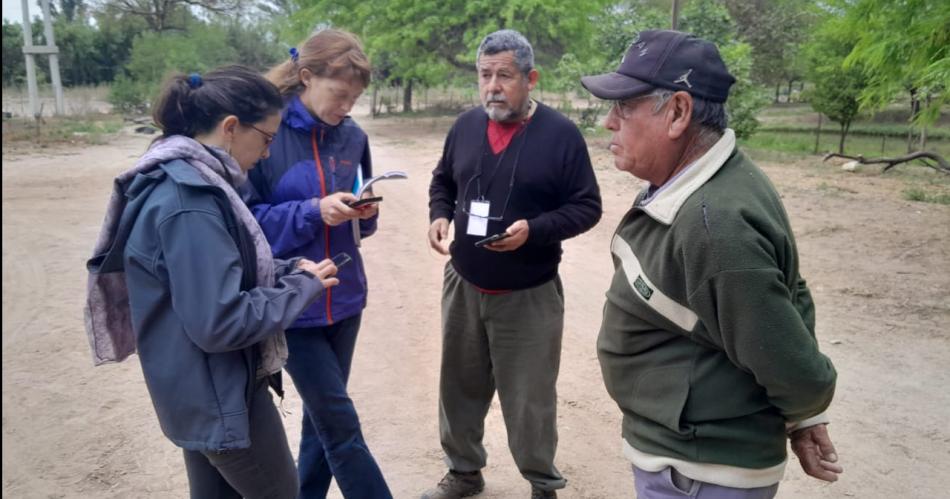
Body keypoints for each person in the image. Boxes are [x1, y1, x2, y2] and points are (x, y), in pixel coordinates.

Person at [580, 30, 843, 498]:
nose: (608, 122)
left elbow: (788, 359)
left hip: (700, 470)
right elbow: (787, 298)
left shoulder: (713, 221)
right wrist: (803, 416)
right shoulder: (710, 182)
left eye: (624, 106)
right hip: (691, 456)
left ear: (678, 113)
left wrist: (806, 408)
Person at [84, 65, 340, 499]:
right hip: (219, 395)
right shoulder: (192, 202)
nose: (265, 154)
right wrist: (300, 289)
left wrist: (285, 271)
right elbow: (219, 321)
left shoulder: (179, 179)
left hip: (197, 391)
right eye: (266, 139)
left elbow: (213, 275)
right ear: (230, 128)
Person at [425, 29, 602, 499]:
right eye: (485, 75)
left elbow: (587, 207)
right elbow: (442, 180)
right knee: (458, 388)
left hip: (530, 293)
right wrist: (439, 215)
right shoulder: (464, 127)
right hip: (464, 285)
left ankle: (542, 483)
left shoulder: (561, 135)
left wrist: (535, 230)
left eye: (504, 75)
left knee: (530, 399)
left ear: (531, 79)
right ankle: (464, 472)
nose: (492, 87)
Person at [242, 29, 392, 499]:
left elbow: (360, 226)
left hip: (346, 299)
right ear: (306, 77)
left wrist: (364, 212)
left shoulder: (353, 137)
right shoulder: (264, 135)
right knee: (340, 423)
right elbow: (245, 227)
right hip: (294, 303)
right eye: (339, 94)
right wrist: (313, 209)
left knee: (321, 423)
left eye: (355, 98)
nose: (347, 107)